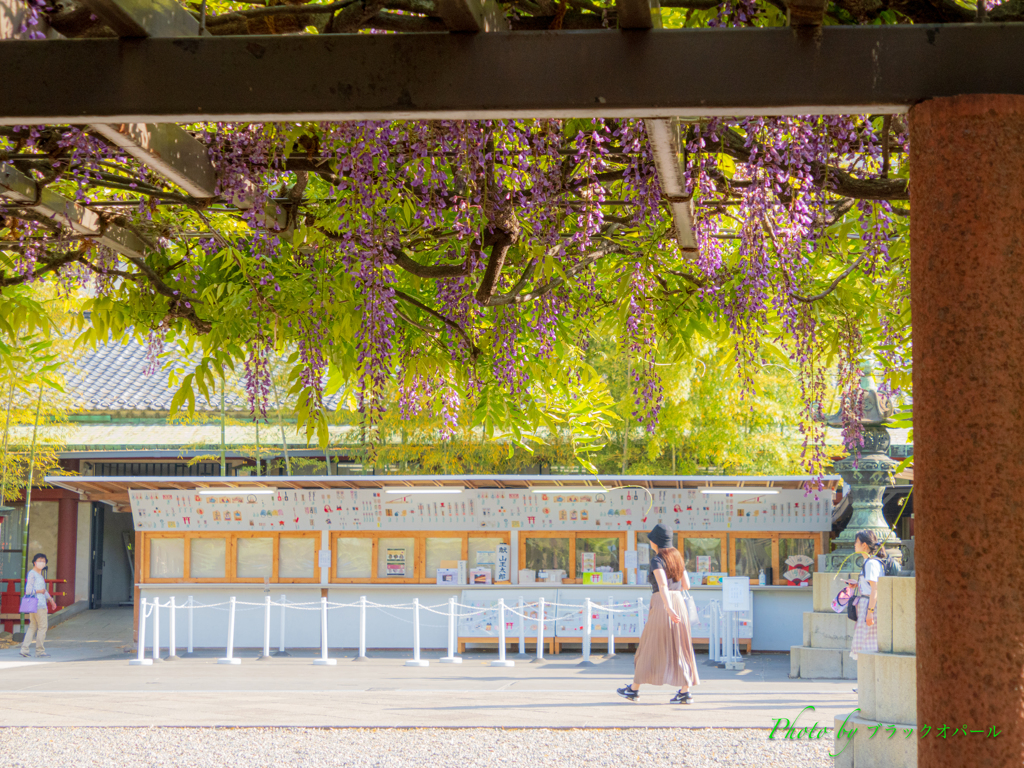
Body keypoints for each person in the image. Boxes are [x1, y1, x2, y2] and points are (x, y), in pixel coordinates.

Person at [617, 524, 700, 704]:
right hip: (679, 603)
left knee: (648, 645)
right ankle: (685, 692)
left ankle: (633, 690)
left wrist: (668, 608)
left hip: (664, 604)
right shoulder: (677, 557)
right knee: (681, 647)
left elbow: (662, 585)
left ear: (655, 542)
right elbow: (687, 585)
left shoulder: (657, 560)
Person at [848, 530, 885, 662]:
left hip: (870, 606)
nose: (854, 545)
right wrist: (858, 585)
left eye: (856, 542)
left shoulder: (871, 563)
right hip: (868, 604)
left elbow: (875, 588)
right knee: (866, 642)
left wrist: (870, 612)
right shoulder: (869, 562)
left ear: (864, 545)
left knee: (867, 644)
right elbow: (871, 586)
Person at [20, 553, 57, 658]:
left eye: (44, 561)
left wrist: (51, 599)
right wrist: (40, 591)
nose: (42, 562)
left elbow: (44, 591)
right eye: (40, 560)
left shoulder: (39, 575)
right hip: (38, 604)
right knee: (42, 627)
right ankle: (40, 651)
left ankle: (24, 649)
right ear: (34, 562)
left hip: (35, 604)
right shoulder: (32, 574)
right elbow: (28, 591)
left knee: (33, 626)